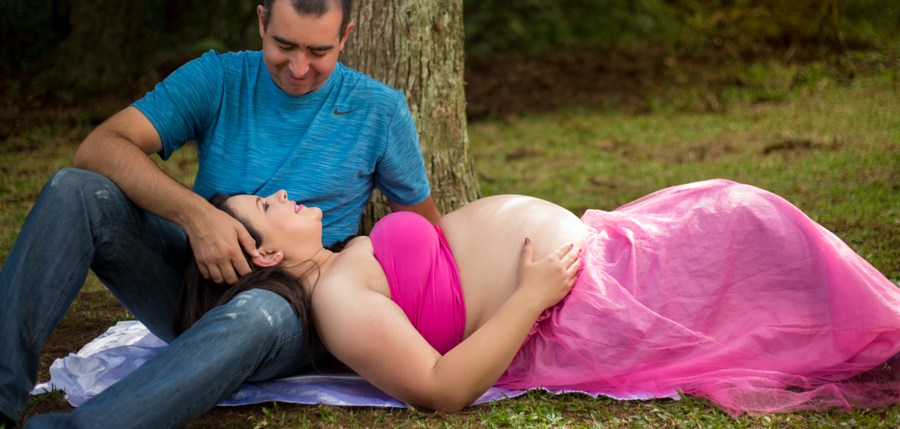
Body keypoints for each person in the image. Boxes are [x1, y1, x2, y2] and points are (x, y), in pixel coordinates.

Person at [0, 0, 440, 429]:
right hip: (193, 286)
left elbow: (426, 238)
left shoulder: (381, 110)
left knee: (259, 311)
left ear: (346, 36)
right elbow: (99, 148)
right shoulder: (219, 78)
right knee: (75, 189)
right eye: (284, 45)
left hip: (296, 308)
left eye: (318, 51)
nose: (298, 67)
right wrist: (196, 217)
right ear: (262, 22)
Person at [178, 179, 900, 417]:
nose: (281, 193)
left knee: (739, 214)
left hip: (598, 255)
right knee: (747, 226)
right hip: (576, 305)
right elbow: (441, 390)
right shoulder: (337, 301)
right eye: (265, 204)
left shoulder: (347, 261)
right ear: (266, 253)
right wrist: (530, 296)